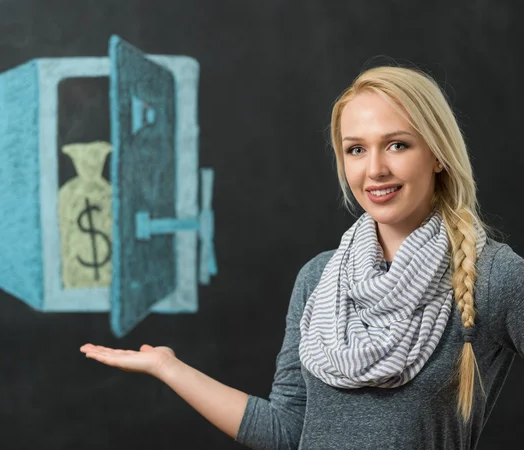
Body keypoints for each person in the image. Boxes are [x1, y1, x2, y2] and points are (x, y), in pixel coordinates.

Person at [80, 65, 524, 449]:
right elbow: (287, 431)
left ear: (438, 154)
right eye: (356, 149)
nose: (374, 170)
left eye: (397, 144)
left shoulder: (492, 277)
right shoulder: (319, 278)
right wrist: (168, 368)